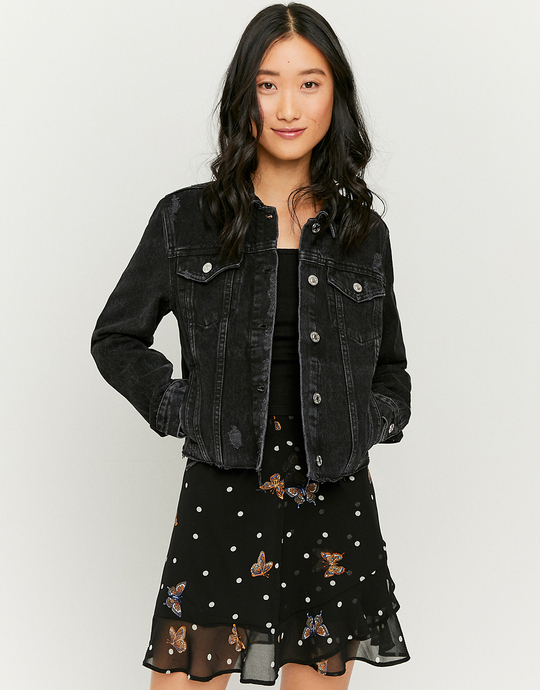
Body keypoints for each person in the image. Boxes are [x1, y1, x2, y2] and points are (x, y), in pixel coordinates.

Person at [91, 3, 412, 688]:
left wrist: (367, 422)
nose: (288, 107)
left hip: (333, 492)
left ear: (335, 96)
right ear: (245, 97)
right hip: (223, 486)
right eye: (268, 84)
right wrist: (181, 408)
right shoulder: (187, 218)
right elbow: (116, 337)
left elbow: (392, 371)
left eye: (309, 83)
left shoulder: (362, 234)